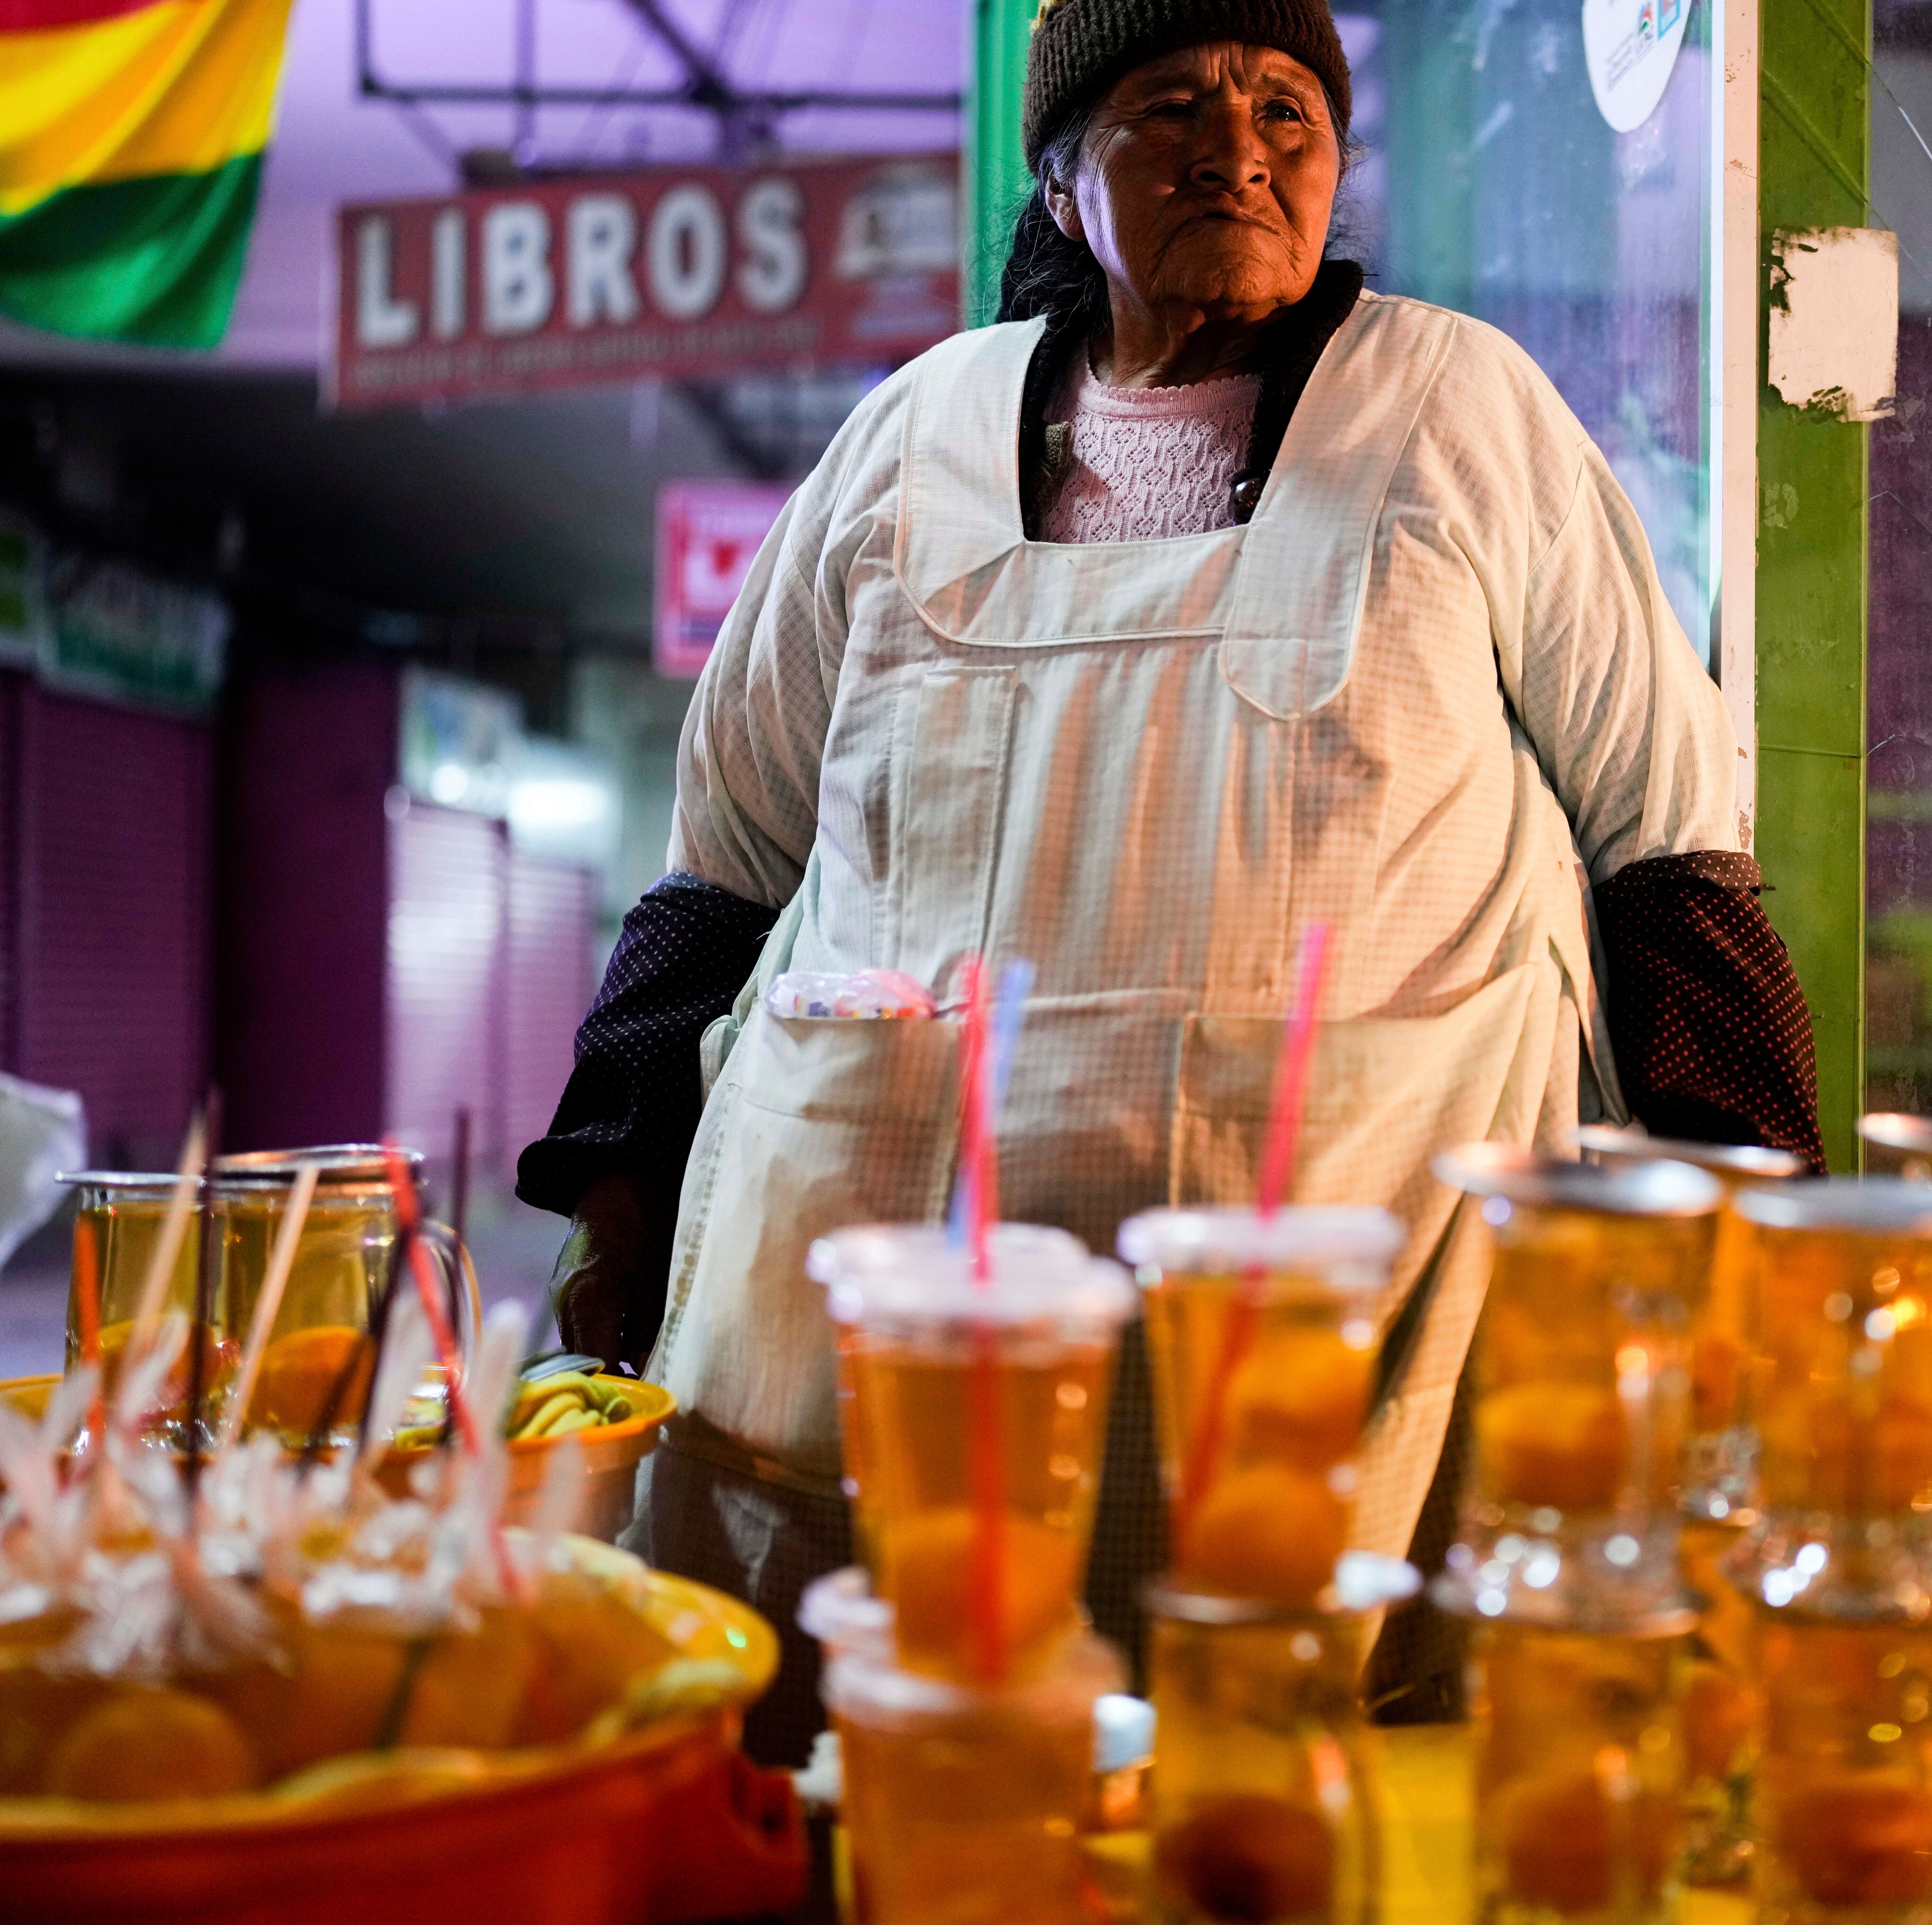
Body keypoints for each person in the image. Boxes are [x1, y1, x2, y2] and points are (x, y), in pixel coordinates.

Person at [519, 0, 1821, 1760]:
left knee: (1289, 1781)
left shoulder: (1459, 414)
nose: (1240, 144)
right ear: (1062, 183)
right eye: (1170, 107)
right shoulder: (909, 443)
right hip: (897, 1351)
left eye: (1288, 105)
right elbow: (720, 874)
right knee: (899, 1787)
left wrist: (1761, 1234)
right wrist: (614, 1212)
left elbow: (1671, 843)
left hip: (1342, 1341)